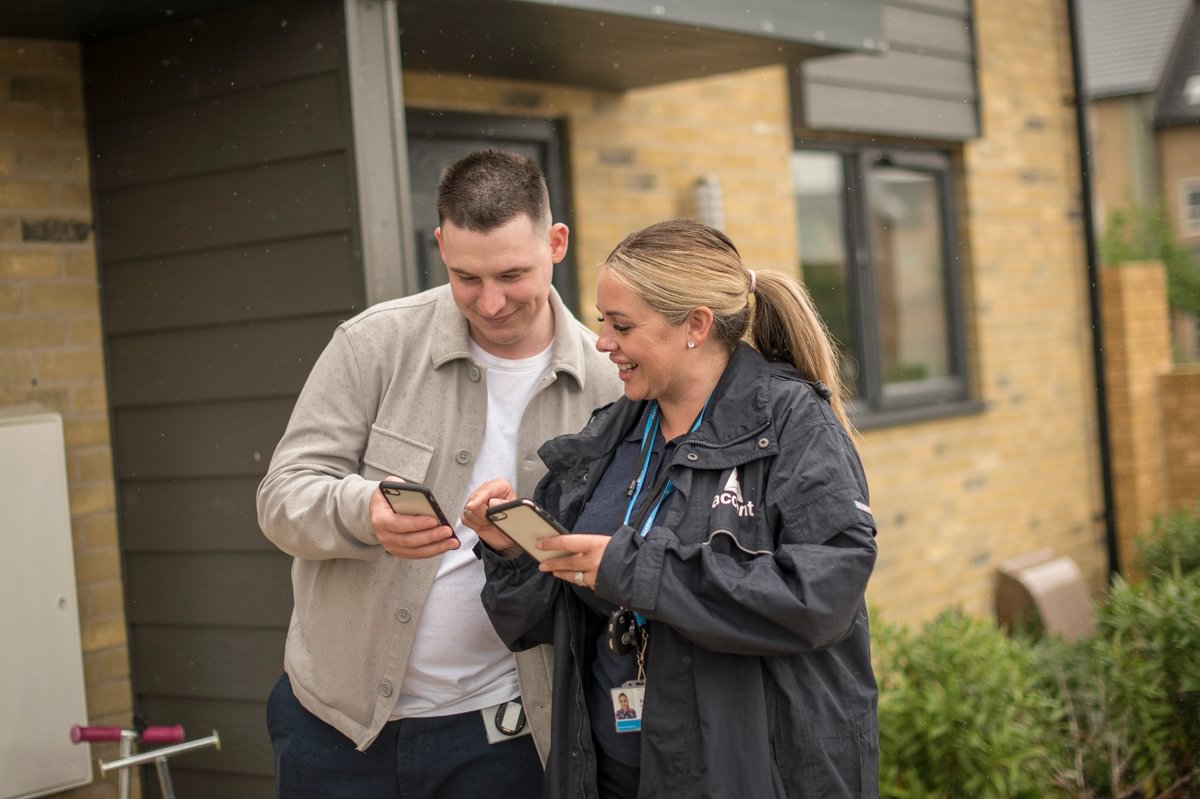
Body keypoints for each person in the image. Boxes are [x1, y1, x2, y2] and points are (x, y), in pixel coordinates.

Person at [463, 219, 879, 798]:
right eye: (603, 321)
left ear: (696, 326)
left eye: (622, 325)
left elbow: (823, 596)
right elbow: (543, 622)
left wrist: (634, 571)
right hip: (613, 774)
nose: (602, 340)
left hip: (752, 776)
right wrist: (512, 552)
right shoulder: (614, 433)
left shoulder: (791, 424)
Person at [257, 149, 623, 799]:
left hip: (505, 739)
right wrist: (361, 509)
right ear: (440, 245)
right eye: (465, 277)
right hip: (335, 730)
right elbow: (282, 497)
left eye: (512, 274)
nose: (491, 302)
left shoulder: (610, 382)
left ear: (557, 242)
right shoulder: (373, 343)